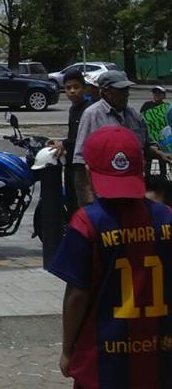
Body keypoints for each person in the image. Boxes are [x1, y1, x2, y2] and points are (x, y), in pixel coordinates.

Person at [49, 125, 172, 388]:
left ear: (90, 172)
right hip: (160, 357)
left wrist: (68, 350)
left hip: (102, 358)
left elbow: (77, 294)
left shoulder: (88, 222)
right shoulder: (166, 217)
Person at [73, 71, 168, 205]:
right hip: (105, 191)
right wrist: (86, 202)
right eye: (121, 90)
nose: (126, 94)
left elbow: (146, 144)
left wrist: (160, 153)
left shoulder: (133, 115)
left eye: (127, 89)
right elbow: (80, 161)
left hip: (133, 188)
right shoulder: (92, 115)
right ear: (106, 92)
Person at [49, 70, 93, 216]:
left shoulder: (90, 110)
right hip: (71, 162)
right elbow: (73, 135)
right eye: (68, 88)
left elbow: (86, 138)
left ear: (84, 88)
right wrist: (62, 145)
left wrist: (64, 144)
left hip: (83, 165)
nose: (72, 91)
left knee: (83, 205)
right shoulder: (73, 108)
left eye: (76, 87)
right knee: (72, 203)